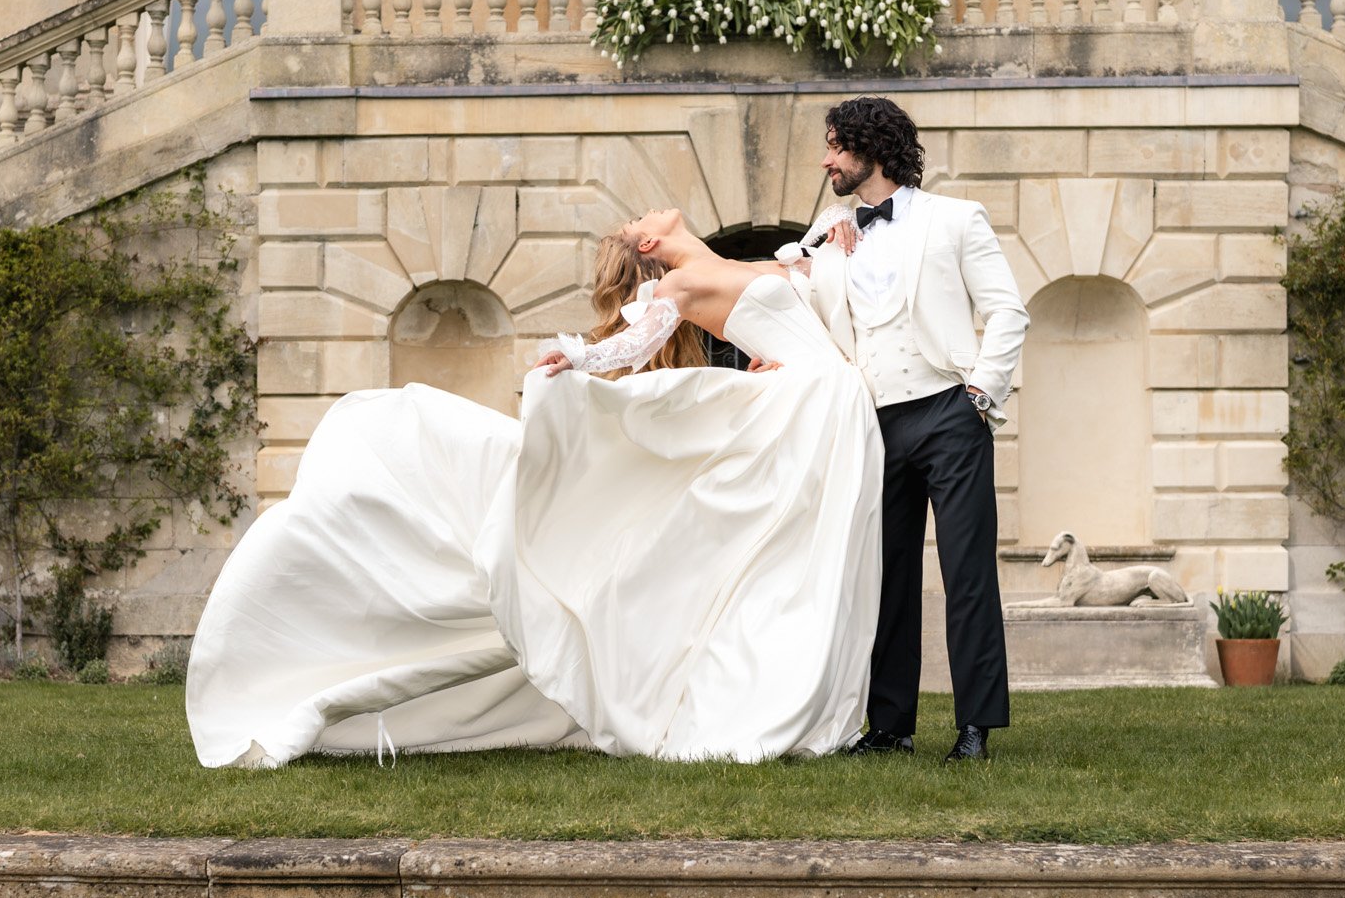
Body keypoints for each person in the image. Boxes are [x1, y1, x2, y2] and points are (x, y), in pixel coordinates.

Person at [185, 210, 882, 765]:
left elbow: (812, 273)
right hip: (817, 404)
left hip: (821, 401)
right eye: (645, 215)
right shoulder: (674, 285)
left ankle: (814, 697)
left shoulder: (726, 263)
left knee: (804, 556)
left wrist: (833, 232)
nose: (652, 212)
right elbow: (631, 347)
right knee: (782, 555)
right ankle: (778, 692)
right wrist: (575, 357)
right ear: (651, 240)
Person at [787, 96, 1029, 763]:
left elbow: (1008, 311)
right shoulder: (835, 226)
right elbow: (787, 266)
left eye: (837, 146)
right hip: (875, 421)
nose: (826, 159)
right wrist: (824, 237)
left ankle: (976, 726)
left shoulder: (955, 220)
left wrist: (979, 393)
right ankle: (891, 726)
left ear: (874, 149)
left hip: (950, 413)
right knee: (887, 577)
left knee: (966, 573)